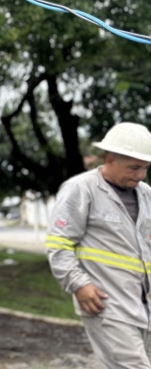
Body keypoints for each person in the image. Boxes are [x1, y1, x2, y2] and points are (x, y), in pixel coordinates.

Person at [46, 122, 151, 369]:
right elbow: (58, 245)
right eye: (134, 167)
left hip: (144, 305)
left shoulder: (146, 194)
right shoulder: (81, 189)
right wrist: (79, 284)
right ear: (110, 159)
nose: (141, 175)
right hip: (107, 304)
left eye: (145, 168)